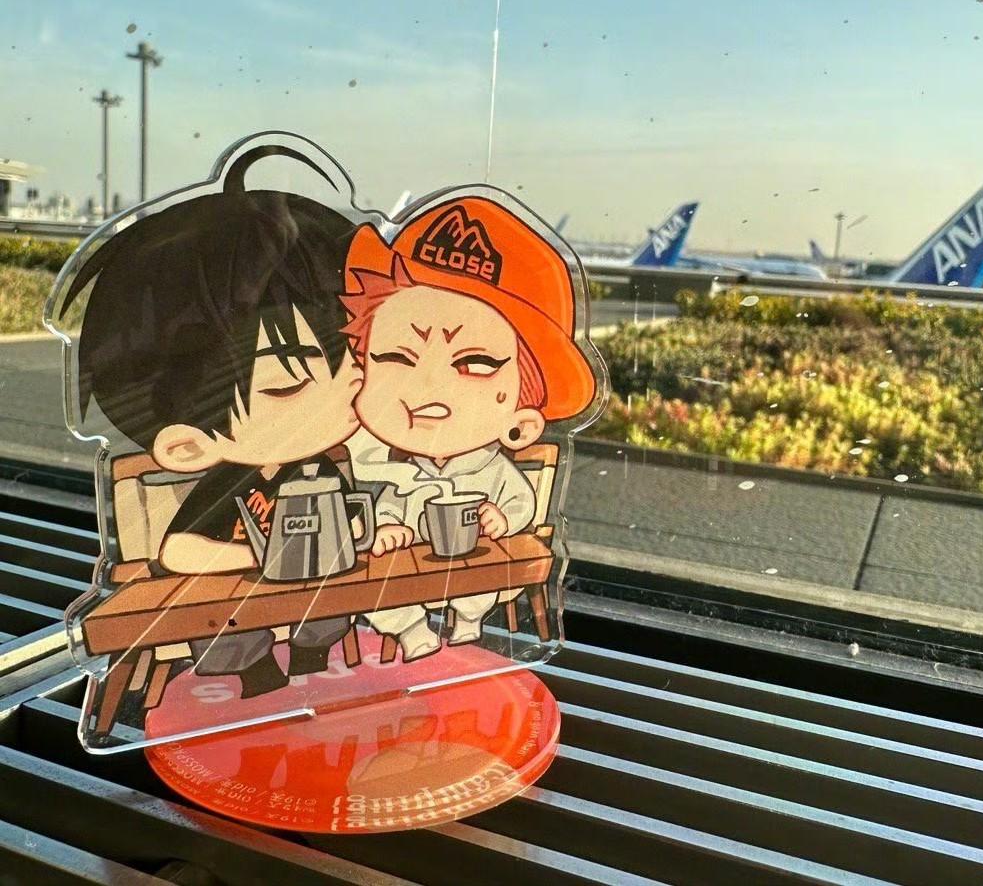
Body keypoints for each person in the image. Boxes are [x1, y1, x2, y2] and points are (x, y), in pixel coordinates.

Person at [60, 144, 374, 698]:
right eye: (289, 385)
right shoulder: (231, 482)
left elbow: (352, 523)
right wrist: (258, 556)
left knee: (327, 614)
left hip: (314, 598)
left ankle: (311, 661)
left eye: (351, 359)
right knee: (225, 625)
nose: (351, 385)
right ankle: (258, 679)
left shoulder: (320, 470)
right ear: (188, 447)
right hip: (234, 608)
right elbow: (177, 550)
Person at [341, 196, 598, 660]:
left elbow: (519, 501)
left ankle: (468, 621)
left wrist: (504, 519)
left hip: (474, 564)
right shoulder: (401, 471)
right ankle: (412, 632)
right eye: (397, 357)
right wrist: (388, 528)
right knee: (381, 594)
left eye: (474, 363)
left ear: (522, 421)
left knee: (480, 583)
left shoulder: (492, 469)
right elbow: (390, 506)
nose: (428, 386)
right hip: (410, 573)